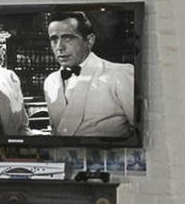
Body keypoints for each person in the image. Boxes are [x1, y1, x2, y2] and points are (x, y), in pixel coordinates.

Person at [43, 11, 137, 141]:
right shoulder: (50, 81)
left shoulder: (119, 74)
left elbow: (144, 132)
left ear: (90, 40)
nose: (59, 47)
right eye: (54, 39)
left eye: (68, 38)